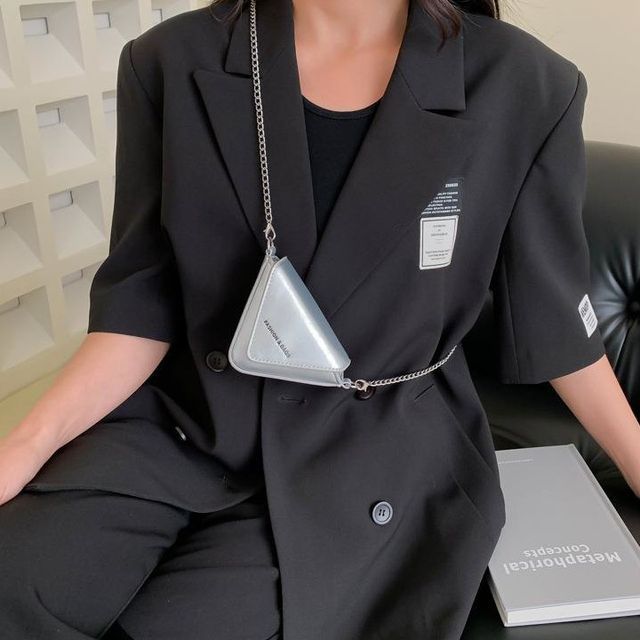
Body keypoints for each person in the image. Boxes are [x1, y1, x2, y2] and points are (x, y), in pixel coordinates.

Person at [1, 0, 639, 638]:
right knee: (14, 582)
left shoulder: (527, 85)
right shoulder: (167, 61)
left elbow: (559, 326)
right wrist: (25, 445)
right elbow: (138, 308)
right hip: (187, 424)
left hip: (373, 440)